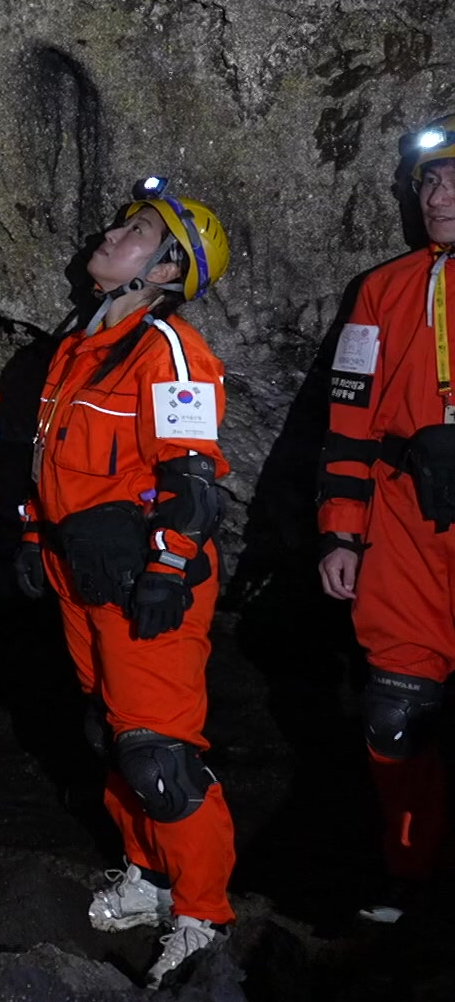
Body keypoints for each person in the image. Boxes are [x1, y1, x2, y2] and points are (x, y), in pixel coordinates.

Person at [14, 179, 235, 986]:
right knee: (111, 733)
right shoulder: (79, 346)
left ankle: (204, 915)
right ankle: (147, 877)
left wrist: (171, 562)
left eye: (137, 230)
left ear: (169, 270)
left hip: (145, 574)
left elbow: (192, 473)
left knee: (159, 754)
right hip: (88, 571)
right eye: (120, 221)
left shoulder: (166, 347)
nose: (112, 233)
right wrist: (37, 535)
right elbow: (52, 458)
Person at [317, 113, 455, 924]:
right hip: (403, 517)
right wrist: (341, 529)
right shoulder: (382, 288)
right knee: (396, 709)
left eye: (451, 178)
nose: (438, 194)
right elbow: (349, 417)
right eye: (428, 181)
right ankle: (408, 872)